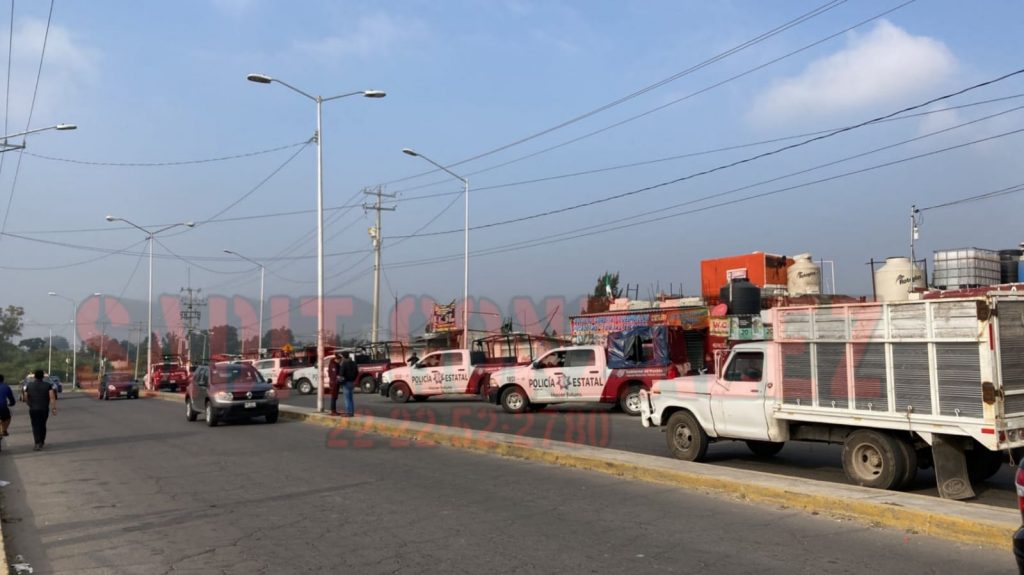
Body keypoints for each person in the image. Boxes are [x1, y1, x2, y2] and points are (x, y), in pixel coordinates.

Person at [22, 370, 56, 451]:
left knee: (35, 425)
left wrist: (29, 404)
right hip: (44, 409)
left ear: (34, 376)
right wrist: (54, 408)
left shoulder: (29, 385)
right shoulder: (48, 385)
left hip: (33, 409)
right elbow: (52, 397)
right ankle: (41, 441)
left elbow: (25, 397)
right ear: (43, 376)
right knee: (42, 425)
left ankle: (37, 442)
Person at [339, 351, 358, 417]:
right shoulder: (353, 363)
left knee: (347, 399)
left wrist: (340, 381)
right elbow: (356, 372)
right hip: (352, 382)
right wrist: (353, 379)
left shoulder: (344, 364)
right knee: (351, 398)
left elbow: (341, 374)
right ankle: (351, 412)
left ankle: (348, 412)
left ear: (343, 357)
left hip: (346, 382)